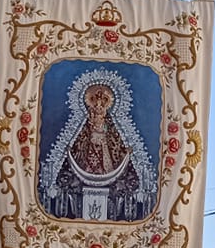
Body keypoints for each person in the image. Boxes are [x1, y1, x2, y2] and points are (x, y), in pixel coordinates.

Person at [43, 76, 156, 221]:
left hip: (107, 164)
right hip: (87, 165)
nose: (98, 109)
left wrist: (124, 152)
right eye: (95, 106)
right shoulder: (85, 128)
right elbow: (78, 147)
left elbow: (117, 147)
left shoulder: (111, 128)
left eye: (102, 106)